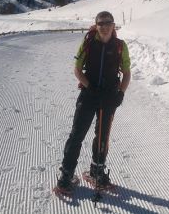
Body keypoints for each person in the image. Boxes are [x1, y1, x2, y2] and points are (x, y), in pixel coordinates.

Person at [56, 11, 131, 192]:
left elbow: (127, 72)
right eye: (101, 23)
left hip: (109, 98)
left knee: (102, 136)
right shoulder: (88, 42)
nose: (104, 26)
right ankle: (66, 176)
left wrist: (120, 93)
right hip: (89, 95)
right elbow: (77, 69)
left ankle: (97, 173)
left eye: (108, 23)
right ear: (96, 25)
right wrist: (89, 86)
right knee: (77, 135)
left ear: (114, 25)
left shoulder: (121, 46)